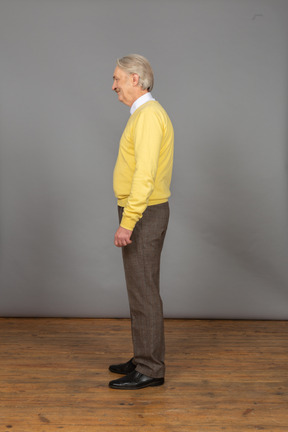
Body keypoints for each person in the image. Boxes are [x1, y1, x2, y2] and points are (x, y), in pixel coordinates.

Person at [109, 54, 174, 390]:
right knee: (141, 289)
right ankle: (143, 356)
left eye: (118, 78)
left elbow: (145, 176)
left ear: (135, 79)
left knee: (144, 291)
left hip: (143, 212)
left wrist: (128, 222)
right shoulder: (144, 114)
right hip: (143, 210)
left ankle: (151, 368)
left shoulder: (148, 117)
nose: (114, 85)